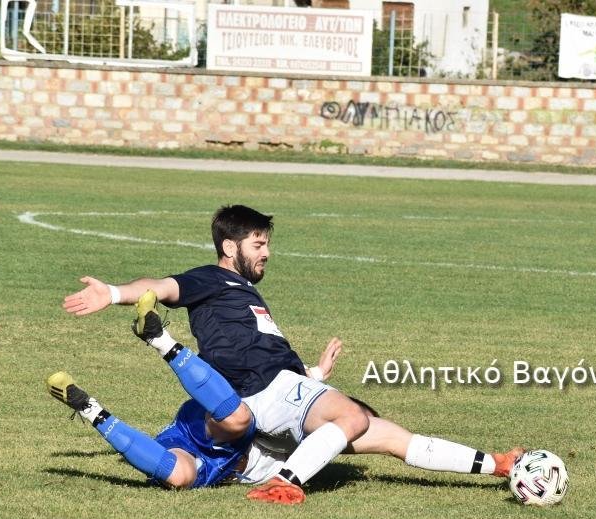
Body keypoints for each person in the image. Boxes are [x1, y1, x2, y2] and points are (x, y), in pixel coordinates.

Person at [58, 205, 524, 502]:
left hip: (279, 394)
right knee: (352, 417)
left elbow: (260, 348)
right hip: (255, 393)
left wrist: (312, 371)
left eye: (267, 245)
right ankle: (286, 482)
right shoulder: (212, 278)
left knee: (393, 438)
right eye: (258, 244)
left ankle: (495, 464)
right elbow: (160, 287)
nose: (266, 253)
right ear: (229, 246)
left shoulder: (244, 292)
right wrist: (115, 293)